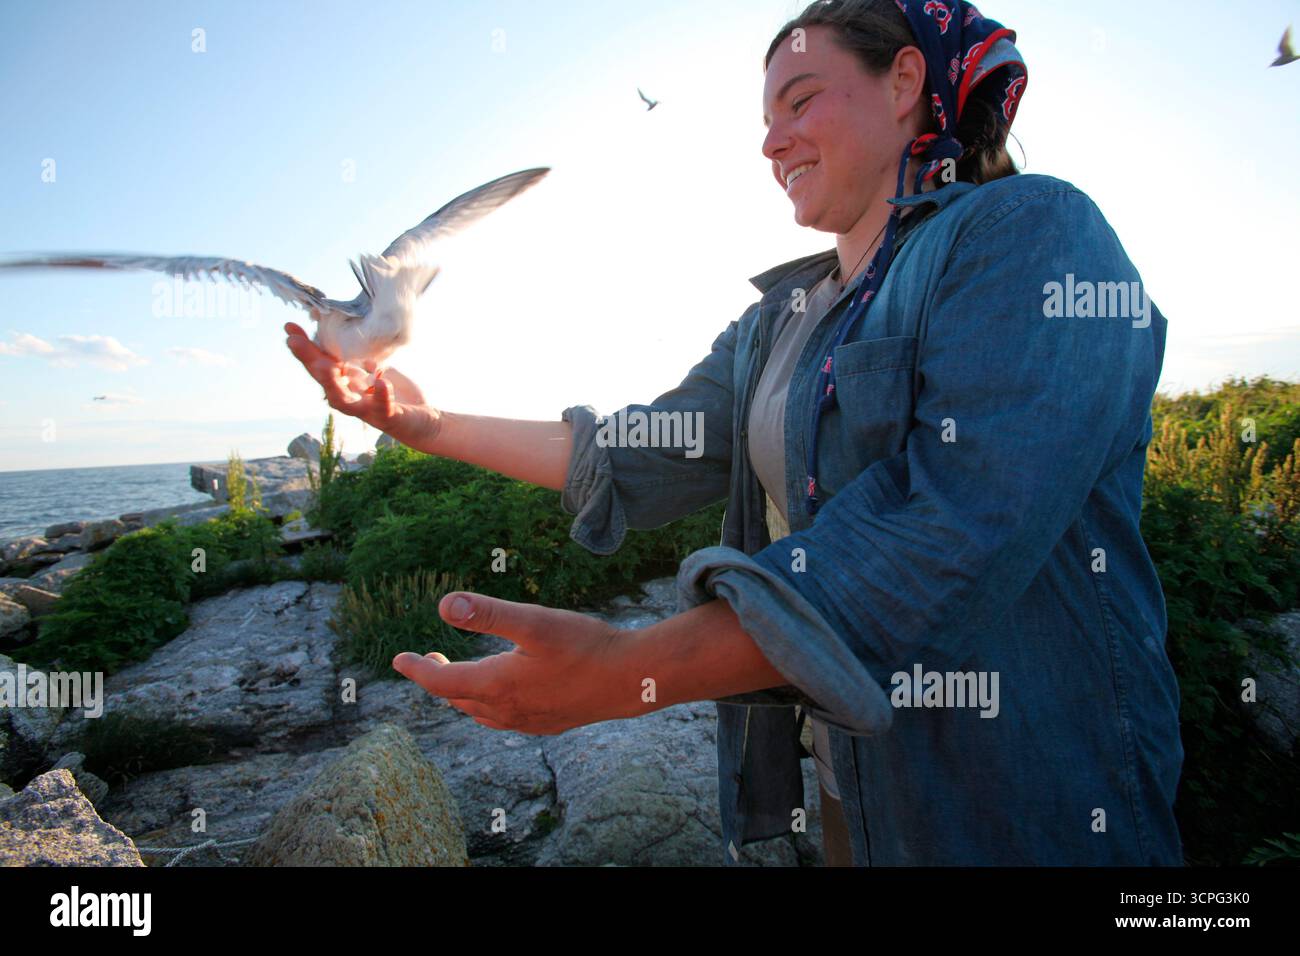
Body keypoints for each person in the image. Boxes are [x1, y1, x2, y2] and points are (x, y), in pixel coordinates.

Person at [285, 0, 1184, 866]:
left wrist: (622, 673)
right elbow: (632, 453)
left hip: (1026, 804)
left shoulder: (1031, 236)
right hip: (856, 796)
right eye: (764, 119)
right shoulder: (780, 319)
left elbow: (943, 538)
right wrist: (418, 422)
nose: (771, 141)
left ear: (905, 79)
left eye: (800, 102)